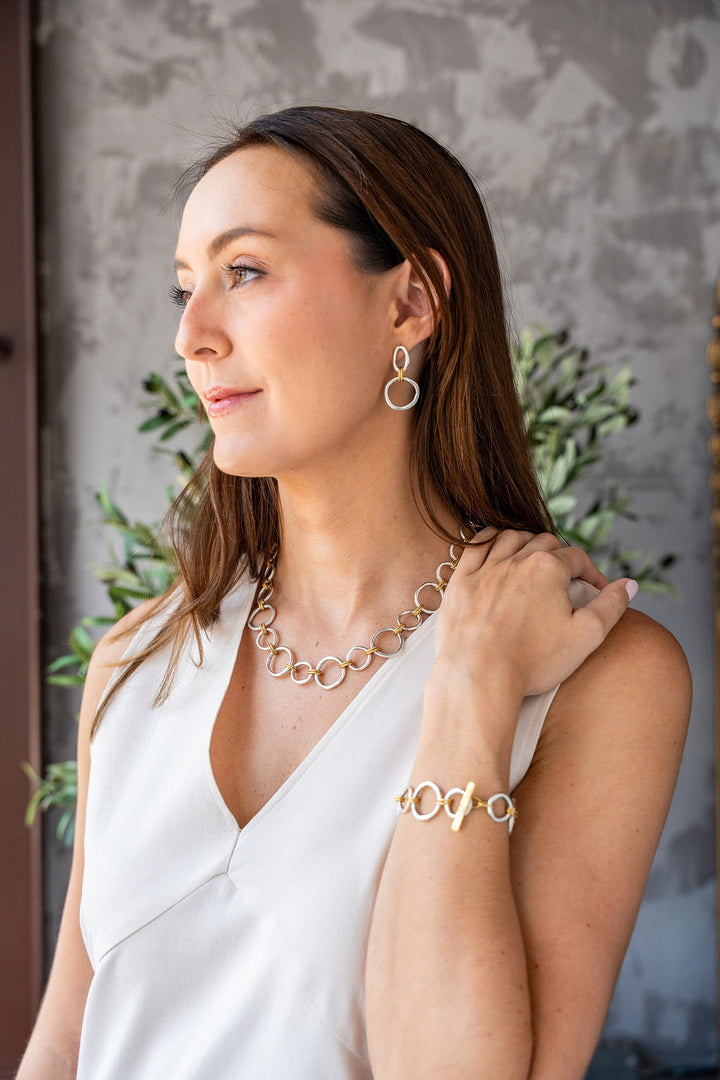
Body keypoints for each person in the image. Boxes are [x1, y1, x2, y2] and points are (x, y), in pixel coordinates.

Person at [17, 105, 691, 1080]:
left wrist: (467, 697)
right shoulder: (137, 662)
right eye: (183, 287)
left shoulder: (603, 680)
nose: (190, 335)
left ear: (410, 303)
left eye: (242, 271)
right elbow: (62, 1044)